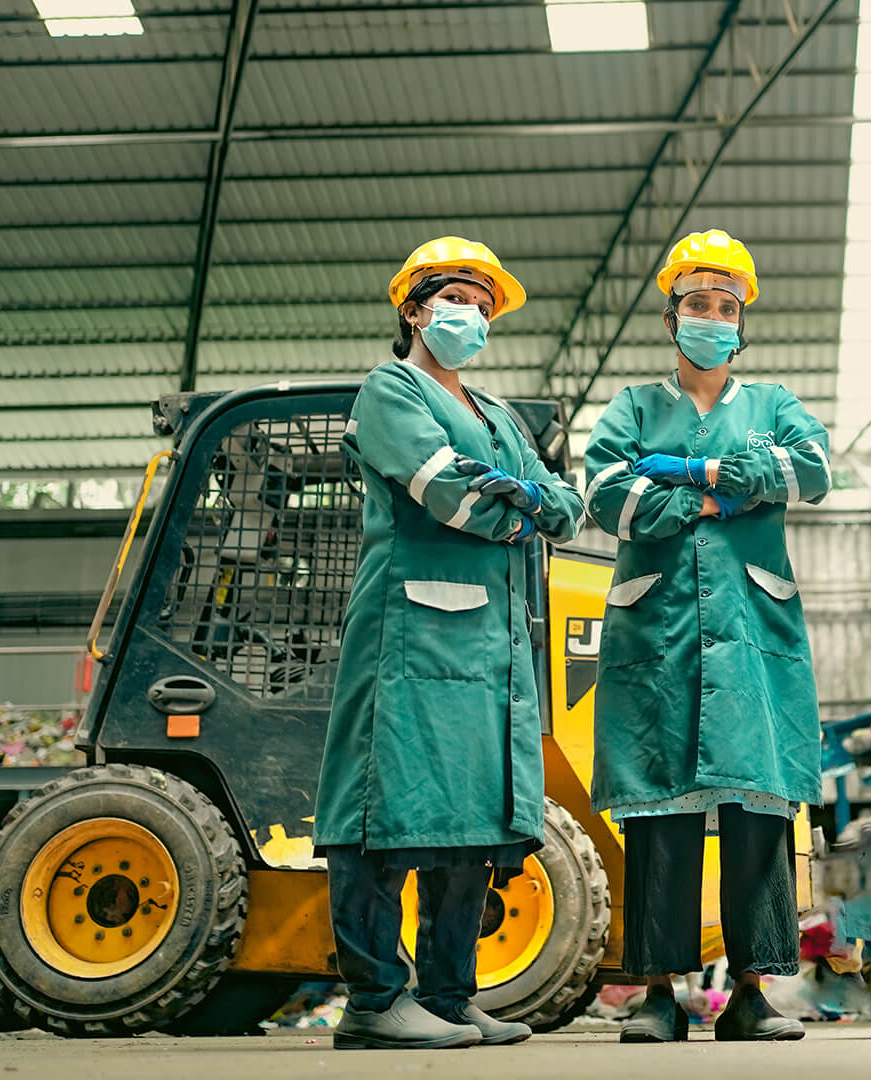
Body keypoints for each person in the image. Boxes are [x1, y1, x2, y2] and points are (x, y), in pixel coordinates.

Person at [315, 237, 585, 1050]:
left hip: (490, 647)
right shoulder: (389, 389)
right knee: (383, 809)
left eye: (483, 304)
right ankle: (374, 1002)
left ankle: (448, 996)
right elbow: (448, 495)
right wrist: (523, 509)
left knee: (472, 814)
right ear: (414, 309)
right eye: (457, 298)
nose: (471, 315)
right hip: (409, 634)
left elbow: (569, 508)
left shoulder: (498, 414)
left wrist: (531, 499)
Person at [583, 229, 831, 1043]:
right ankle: (658, 993)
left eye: (727, 306)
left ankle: (752, 993)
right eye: (698, 303)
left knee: (757, 803)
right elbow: (609, 497)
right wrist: (718, 496)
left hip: (752, 626)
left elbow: (813, 470)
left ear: (741, 322)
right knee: (660, 810)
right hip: (659, 629)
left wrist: (695, 473)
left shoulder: (774, 405)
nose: (713, 317)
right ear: (671, 318)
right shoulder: (632, 406)